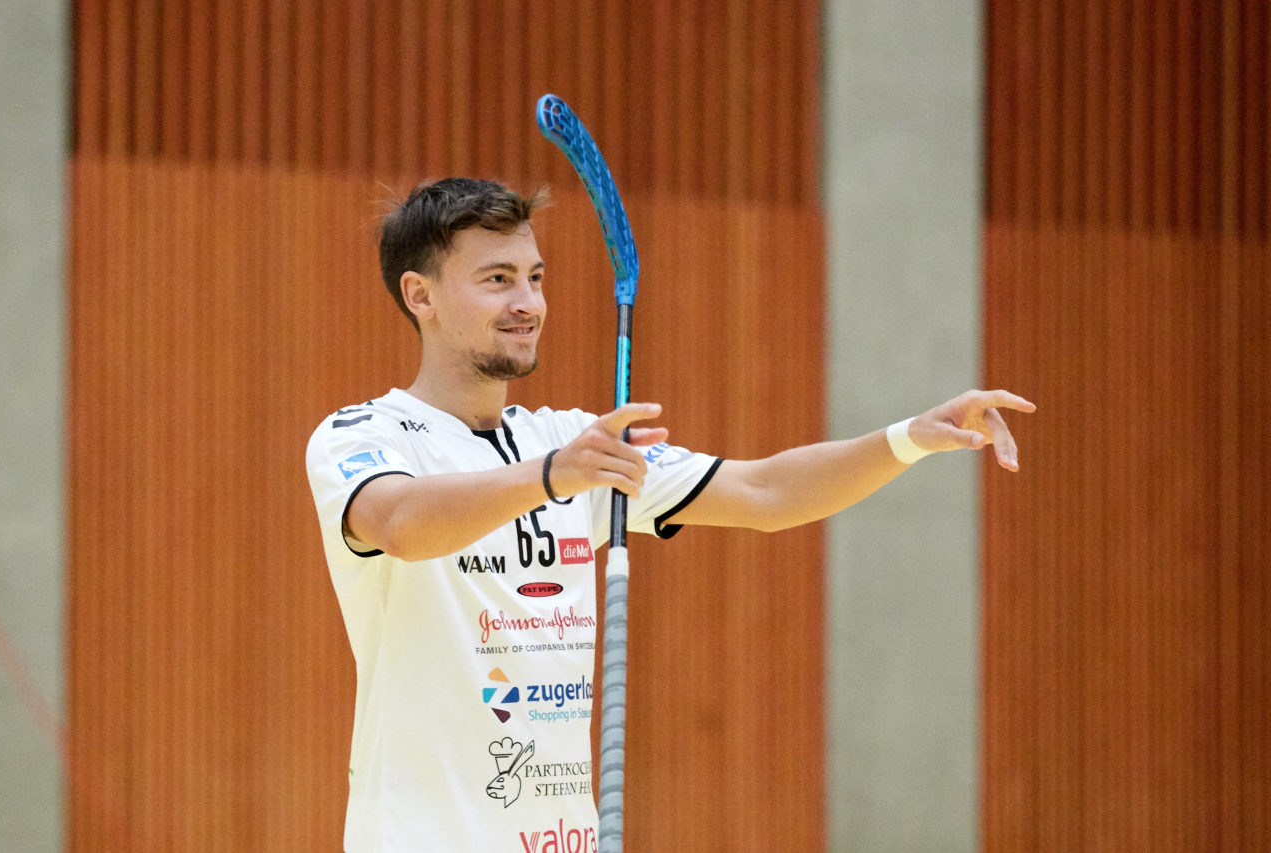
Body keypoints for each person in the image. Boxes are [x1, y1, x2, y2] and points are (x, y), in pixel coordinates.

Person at [305, 177, 1035, 852]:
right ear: (420, 295)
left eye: (535, 277)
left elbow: (764, 493)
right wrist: (558, 476)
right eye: (497, 280)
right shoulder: (363, 436)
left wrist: (910, 435)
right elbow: (400, 523)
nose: (527, 301)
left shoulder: (572, 442)